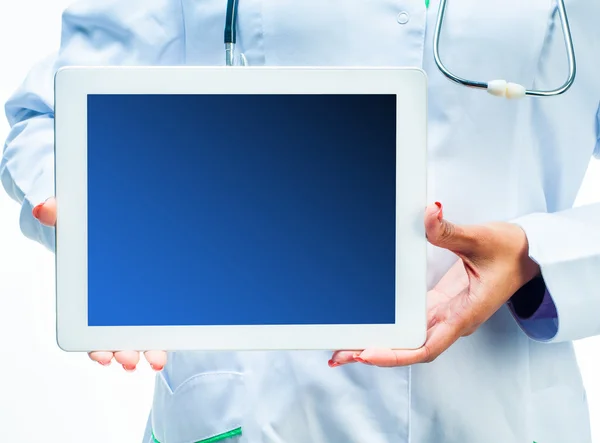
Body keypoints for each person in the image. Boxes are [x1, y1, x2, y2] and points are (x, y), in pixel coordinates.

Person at [2, 0, 600, 442]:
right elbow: (49, 120)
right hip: (253, 404)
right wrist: (114, 225)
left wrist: (537, 253)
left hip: (504, 406)